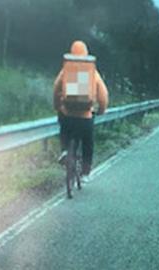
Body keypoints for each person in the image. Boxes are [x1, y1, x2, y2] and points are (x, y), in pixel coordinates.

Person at [53, 40, 109, 182]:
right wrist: (101, 110)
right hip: (85, 117)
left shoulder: (66, 69)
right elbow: (103, 95)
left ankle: (65, 150)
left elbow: (56, 88)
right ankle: (85, 172)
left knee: (64, 129)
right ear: (86, 53)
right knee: (88, 142)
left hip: (68, 115)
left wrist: (58, 106)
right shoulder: (92, 72)